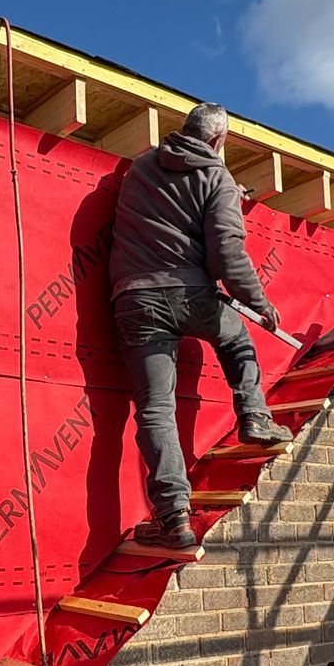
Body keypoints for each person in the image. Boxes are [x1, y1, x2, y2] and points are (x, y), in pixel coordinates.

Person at [110, 102, 290, 550]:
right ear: (219, 141)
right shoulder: (217, 178)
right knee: (237, 340)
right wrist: (259, 301)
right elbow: (225, 255)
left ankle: (173, 520)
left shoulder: (143, 166)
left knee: (155, 408)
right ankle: (254, 418)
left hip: (136, 298)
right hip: (191, 295)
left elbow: (171, 209)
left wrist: (229, 195)